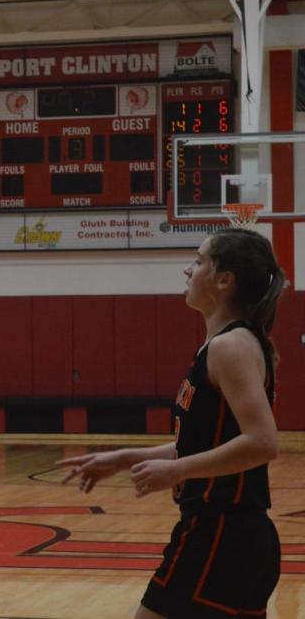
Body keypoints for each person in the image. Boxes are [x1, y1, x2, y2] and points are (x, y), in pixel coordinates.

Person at [56, 227, 285, 619]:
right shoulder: (229, 344)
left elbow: (263, 442)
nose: (187, 270)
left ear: (224, 280)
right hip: (235, 539)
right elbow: (208, 441)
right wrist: (124, 458)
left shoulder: (229, 347)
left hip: (219, 537)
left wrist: (176, 469)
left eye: (198, 261)